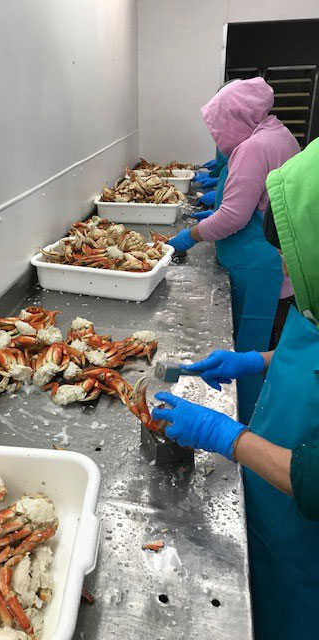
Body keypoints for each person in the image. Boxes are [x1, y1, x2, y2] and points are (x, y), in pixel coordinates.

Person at [152, 138, 319, 640]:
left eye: (294, 255)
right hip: (274, 503)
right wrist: (258, 360)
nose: (285, 270)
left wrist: (226, 436)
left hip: (305, 543)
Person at [168, 77, 300, 423]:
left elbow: (234, 217)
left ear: (235, 118)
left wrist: (190, 235)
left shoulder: (255, 148)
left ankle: (247, 425)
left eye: (218, 126)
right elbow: (255, 199)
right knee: (258, 352)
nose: (217, 136)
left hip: (260, 271)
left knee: (251, 351)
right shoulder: (276, 134)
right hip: (269, 263)